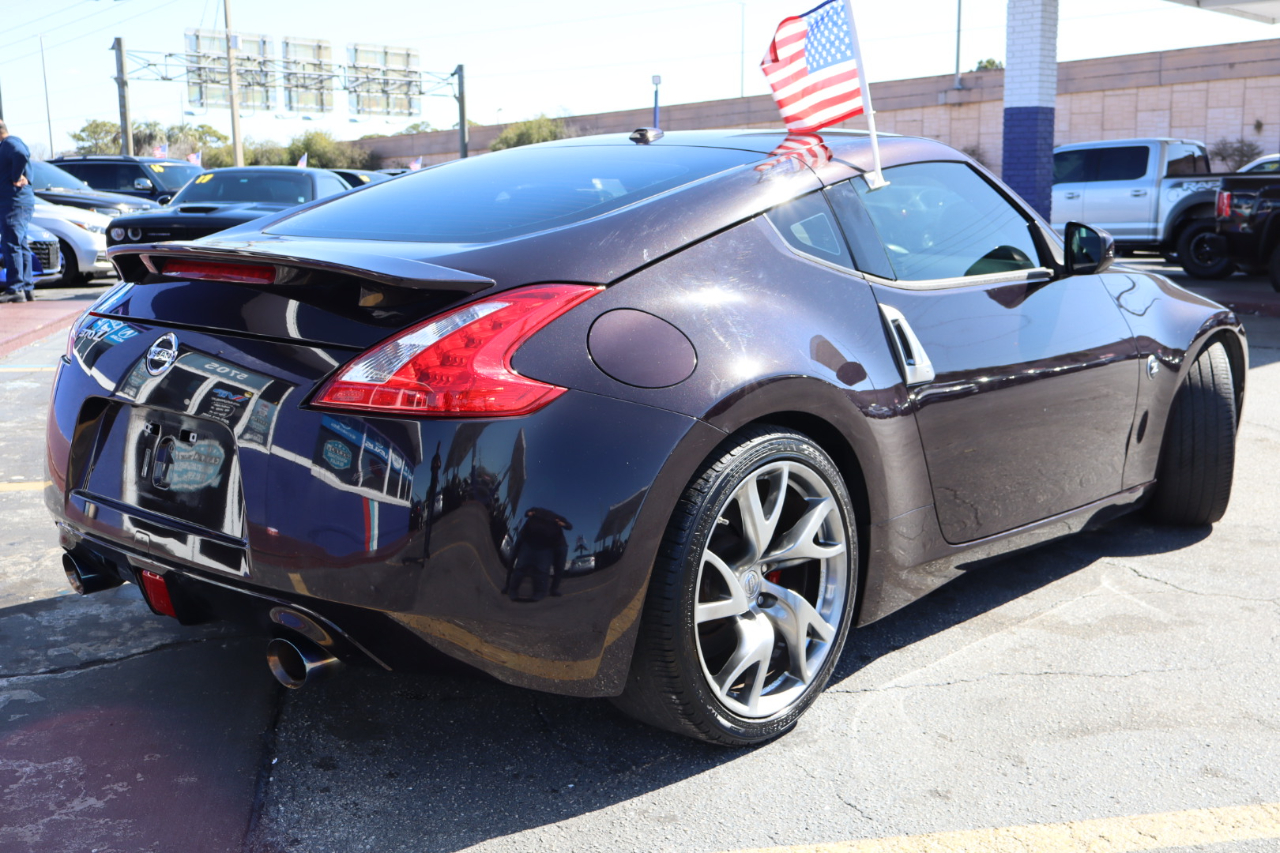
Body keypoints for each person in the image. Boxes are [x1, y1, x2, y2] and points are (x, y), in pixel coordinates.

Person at [0, 121, 36, 303]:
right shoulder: (10, 143)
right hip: (18, 203)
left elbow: (21, 154)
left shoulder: (9, 144)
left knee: (11, 244)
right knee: (20, 245)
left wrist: (16, 176)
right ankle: (27, 289)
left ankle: (15, 288)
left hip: (14, 203)